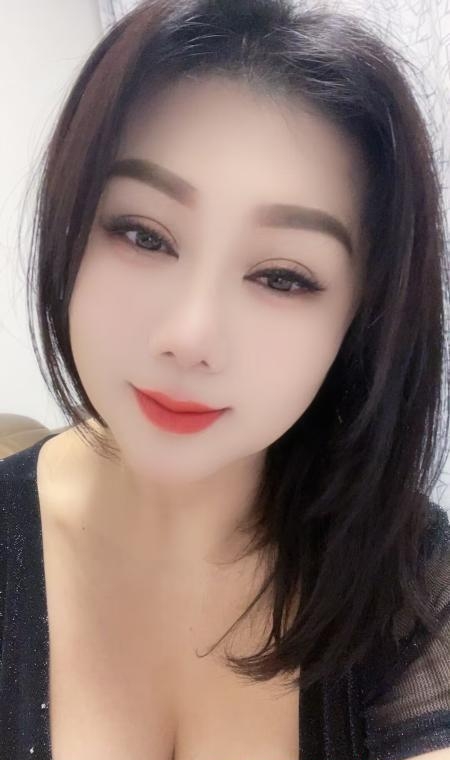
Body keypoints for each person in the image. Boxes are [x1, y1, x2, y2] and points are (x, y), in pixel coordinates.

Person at [1, 0, 449, 757]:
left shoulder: (416, 586)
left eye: (282, 276)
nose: (189, 338)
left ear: (359, 319)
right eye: (143, 234)